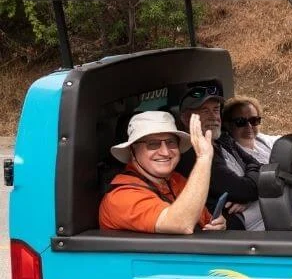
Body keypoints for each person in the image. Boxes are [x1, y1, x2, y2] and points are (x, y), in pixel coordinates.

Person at [100, 111, 226, 233]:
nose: (165, 152)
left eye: (171, 142)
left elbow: (203, 220)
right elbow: (181, 224)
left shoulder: (177, 180)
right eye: (153, 144)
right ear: (133, 151)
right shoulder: (121, 196)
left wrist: (216, 225)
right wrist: (203, 158)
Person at [175, 87, 264, 230]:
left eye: (216, 110)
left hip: (248, 211)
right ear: (186, 119)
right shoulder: (193, 154)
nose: (213, 117)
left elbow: (256, 164)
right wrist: (247, 191)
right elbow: (244, 189)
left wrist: (247, 195)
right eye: (205, 111)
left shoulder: (222, 139)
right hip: (232, 227)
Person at [222, 96, 279, 164]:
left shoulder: (261, 139)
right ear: (227, 125)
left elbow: (285, 141)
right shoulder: (230, 156)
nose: (249, 126)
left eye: (254, 120)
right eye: (241, 121)